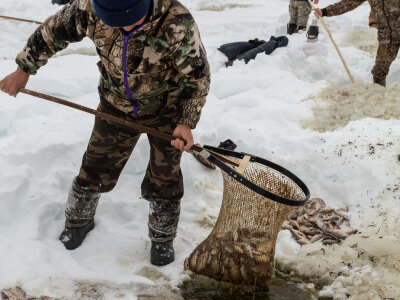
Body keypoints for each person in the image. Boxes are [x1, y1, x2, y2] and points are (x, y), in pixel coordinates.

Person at [0, 0, 210, 266]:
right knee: (96, 163)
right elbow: (51, 31)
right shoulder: (87, 9)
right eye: (115, 20)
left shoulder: (176, 22)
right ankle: (79, 221)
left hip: (167, 108)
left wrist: (185, 121)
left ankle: (162, 236)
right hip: (115, 104)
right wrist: (23, 70)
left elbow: (197, 76)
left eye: (132, 19)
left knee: (165, 175)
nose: (125, 26)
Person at [314, 0, 399, 86]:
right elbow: (349, 3)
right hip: (386, 35)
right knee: (380, 69)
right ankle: (380, 94)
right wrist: (324, 11)